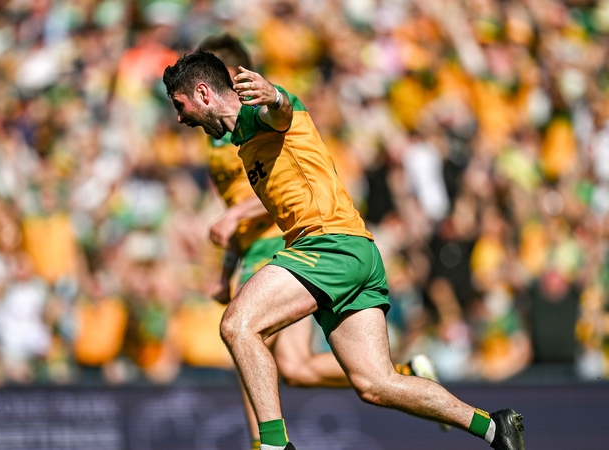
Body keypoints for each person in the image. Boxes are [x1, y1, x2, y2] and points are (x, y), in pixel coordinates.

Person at [162, 51, 525, 450]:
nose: (179, 118)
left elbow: (282, 112)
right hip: (356, 250)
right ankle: (493, 426)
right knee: (376, 384)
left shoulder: (257, 114)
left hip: (327, 245)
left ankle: (274, 446)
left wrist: (275, 95)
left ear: (203, 93)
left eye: (180, 105)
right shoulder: (242, 142)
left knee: (238, 325)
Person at [197, 34, 447, 450]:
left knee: (243, 336)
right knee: (295, 368)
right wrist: (226, 269)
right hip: (262, 248)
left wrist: (237, 215)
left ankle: (264, 444)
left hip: (281, 247)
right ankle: (404, 374)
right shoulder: (218, 140)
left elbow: (280, 194)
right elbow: (249, 198)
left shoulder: (257, 121)